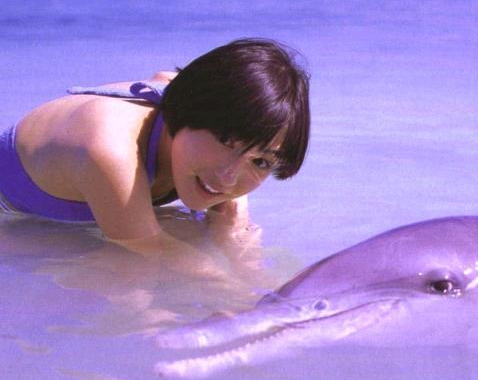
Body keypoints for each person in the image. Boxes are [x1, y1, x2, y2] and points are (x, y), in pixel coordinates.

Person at [0, 39, 310, 247]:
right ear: (185, 108)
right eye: (225, 141)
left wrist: (234, 225)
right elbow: (152, 252)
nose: (229, 177)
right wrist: (248, 295)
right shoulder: (109, 149)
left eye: (260, 161)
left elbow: (233, 227)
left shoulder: (214, 122)